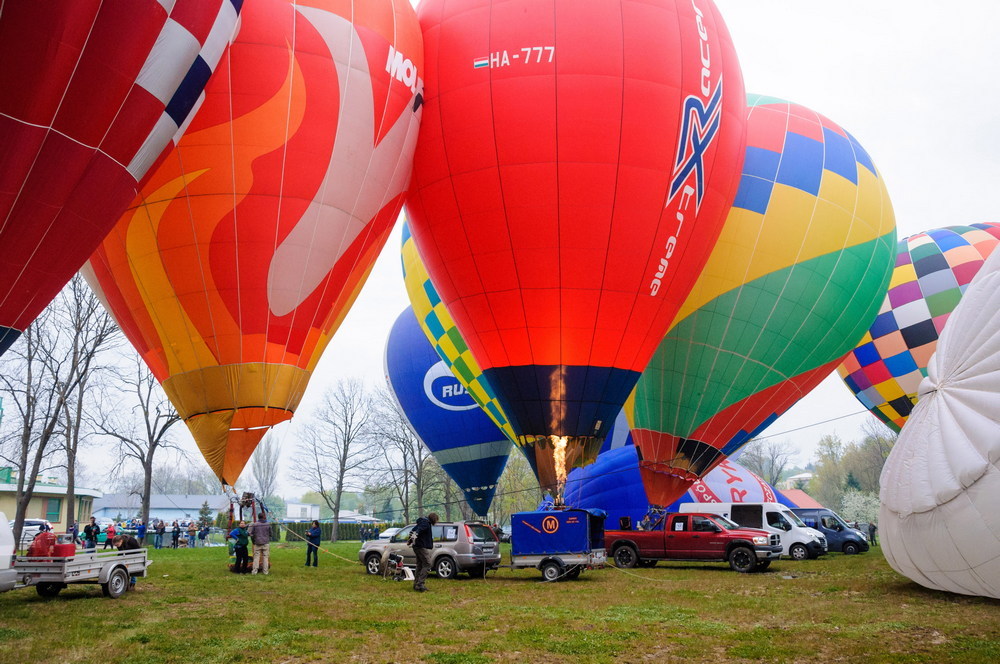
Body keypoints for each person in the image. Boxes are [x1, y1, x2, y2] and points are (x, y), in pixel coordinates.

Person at [410, 512, 438, 592]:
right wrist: (414, 537)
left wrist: (411, 539)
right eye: (436, 520)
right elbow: (418, 530)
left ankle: (416, 584)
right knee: (427, 564)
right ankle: (420, 584)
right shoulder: (426, 523)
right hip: (421, 546)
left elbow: (413, 530)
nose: (436, 522)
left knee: (420, 565)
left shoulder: (422, 522)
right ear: (433, 519)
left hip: (416, 546)